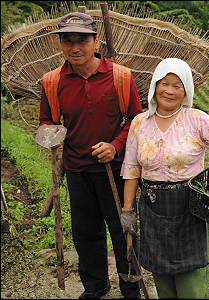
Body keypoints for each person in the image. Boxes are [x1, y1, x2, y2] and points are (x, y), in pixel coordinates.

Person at [120, 58, 209, 298]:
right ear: (155, 86)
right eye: (164, 83)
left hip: (190, 207)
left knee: (192, 281)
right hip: (153, 206)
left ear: (186, 91)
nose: (169, 91)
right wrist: (127, 210)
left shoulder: (196, 119)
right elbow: (131, 168)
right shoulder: (140, 123)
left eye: (177, 86)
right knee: (162, 277)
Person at [39, 12, 143, 298]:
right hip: (77, 171)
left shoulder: (120, 77)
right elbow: (47, 121)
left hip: (117, 172)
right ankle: (96, 287)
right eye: (68, 41)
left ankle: (130, 286)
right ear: (60, 44)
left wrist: (115, 146)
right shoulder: (52, 82)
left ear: (96, 42)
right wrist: (49, 133)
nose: (75, 48)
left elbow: (135, 119)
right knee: (86, 235)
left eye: (82, 40)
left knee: (124, 233)